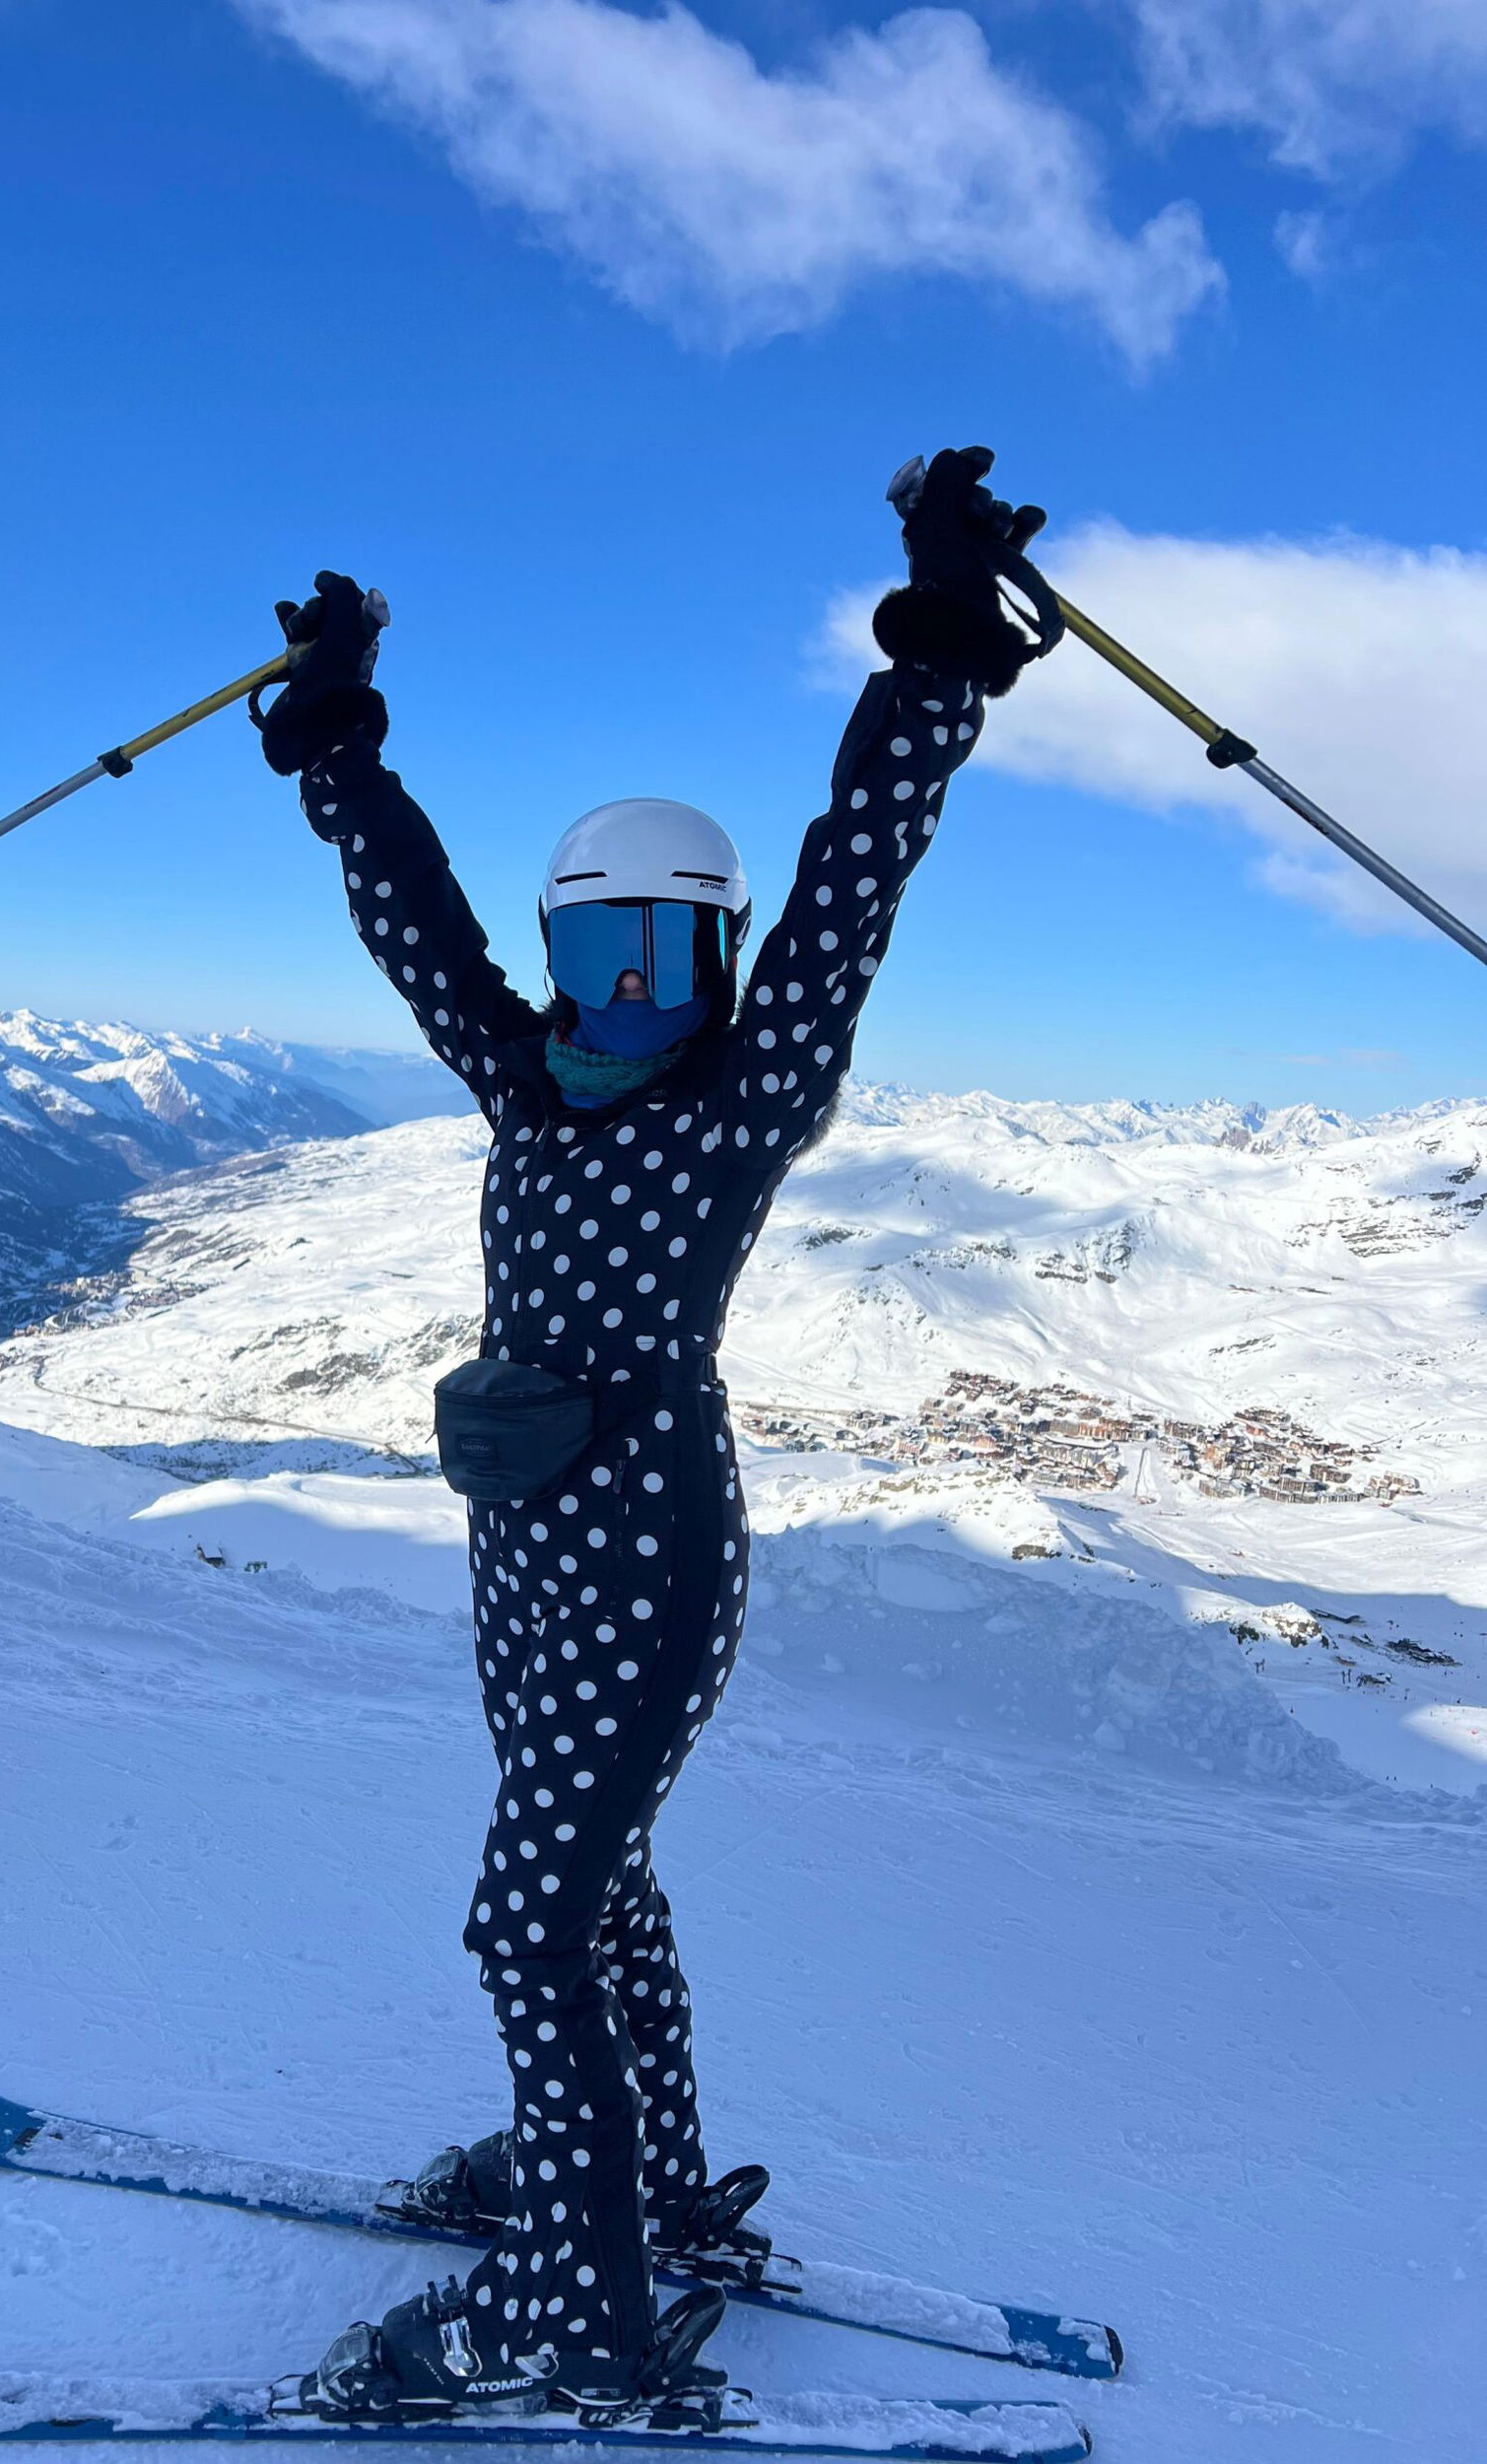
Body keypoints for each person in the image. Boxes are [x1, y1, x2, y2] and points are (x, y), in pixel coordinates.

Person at [253, 448, 1049, 2429]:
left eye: (664, 958)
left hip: (641, 1552)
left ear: (712, 964)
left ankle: (566, 2305)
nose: (627, 992)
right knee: (596, 1887)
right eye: (596, 954)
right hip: (521, 1549)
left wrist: (936, 641)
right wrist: (339, 731)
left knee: (526, 1912)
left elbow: (854, 868)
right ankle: (649, 2191)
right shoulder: (528, 1079)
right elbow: (412, 922)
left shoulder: (733, 1100)